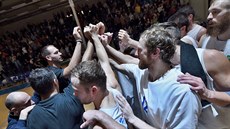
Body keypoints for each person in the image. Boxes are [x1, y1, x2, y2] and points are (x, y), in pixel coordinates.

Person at [110, 27, 201, 128]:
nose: (136, 53)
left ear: (155, 53)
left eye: (140, 50)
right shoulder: (143, 73)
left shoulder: (181, 92)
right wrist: (100, 43)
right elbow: (118, 64)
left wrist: (133, 118)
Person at [71, 25, 128, 129]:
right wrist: (94, 36)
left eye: (77, 90)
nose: (74, 94)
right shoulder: (113, 88)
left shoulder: (98, 126)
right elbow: (103, 61)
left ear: (93, 90)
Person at [41, 26, 83, 92]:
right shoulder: (50, 72)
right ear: (48, 58)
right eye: (56, 52)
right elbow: (70, 68)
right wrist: (78, 41)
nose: (60, 53)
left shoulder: (58, 69)